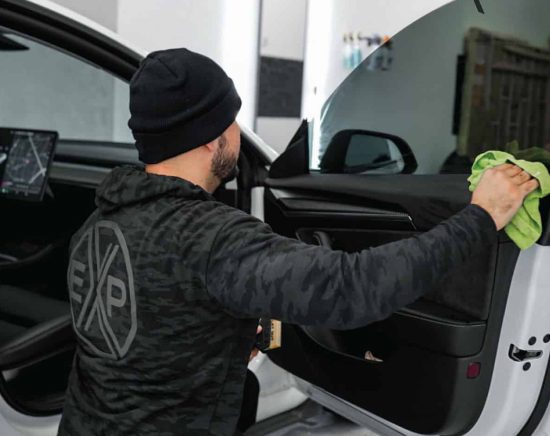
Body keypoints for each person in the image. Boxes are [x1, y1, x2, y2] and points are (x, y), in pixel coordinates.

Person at [58, 48, 539, 436]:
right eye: (231, 120)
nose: (236, 132)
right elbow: (353, 290)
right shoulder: (210, 237)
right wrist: (480, 217)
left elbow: (140, 328)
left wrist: (220, 341)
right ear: (209, 137)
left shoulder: (99, 224)